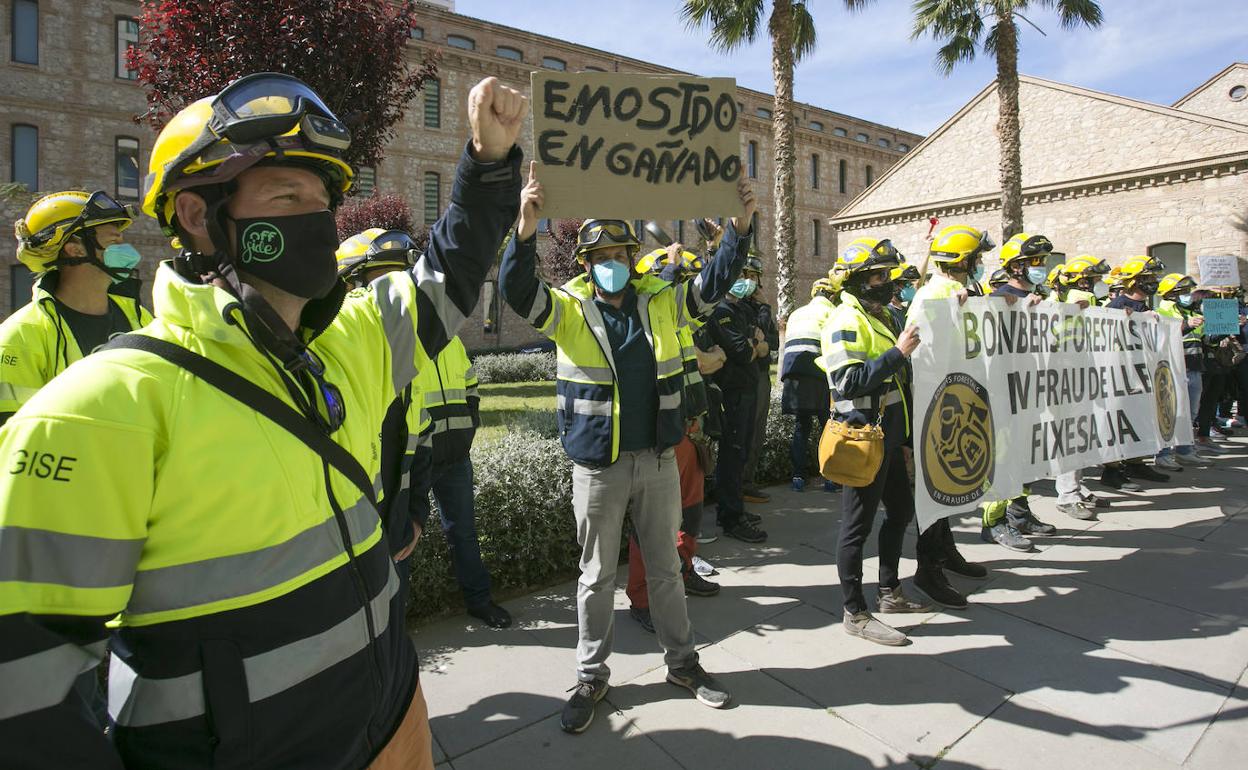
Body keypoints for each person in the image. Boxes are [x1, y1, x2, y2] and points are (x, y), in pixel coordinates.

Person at [0, 72, 526, 769]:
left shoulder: (356, 341)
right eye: (287, 196)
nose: (317, 218)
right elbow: (25, 697)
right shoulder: (102, 406)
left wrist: (488, 161)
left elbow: (452, 272)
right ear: (197, 216)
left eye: (322, 200)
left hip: (398, 723)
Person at [499, 167, 756, 733]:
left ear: (632, 255)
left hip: (659, 460)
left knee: (665, 569)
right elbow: (518, 292)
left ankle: (683, 664)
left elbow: (712, 284)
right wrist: (525, 228)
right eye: (601, 255)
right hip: (598, 468)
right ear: (586, 265)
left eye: (620, 251)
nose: (611, 261)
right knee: (595, 577)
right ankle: (592, 675)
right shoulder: (569, 309)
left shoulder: (662, 300)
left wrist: (739, 228)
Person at [1, 190, 153, 731]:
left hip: (138, 528)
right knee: (76, 702)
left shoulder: (139, 319)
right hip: (64, 550)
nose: (122, 246)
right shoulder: (23, 337)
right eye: (110, 237)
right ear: (70, 251)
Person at [337, 228, 512, 629]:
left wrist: (466, 428)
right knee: (400, 549)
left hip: (451, 457)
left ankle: (479, 600)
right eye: (383, 276)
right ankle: (398, 623)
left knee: (463, 534)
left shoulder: (442, 334)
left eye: (403, 273)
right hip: (404, 463)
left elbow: (469, 383)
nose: (397, 286)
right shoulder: (366, 347)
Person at [823, 237, 934, 645]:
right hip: (861, 439)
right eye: (877, 275)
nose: (886, 281)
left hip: (888, 439)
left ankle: (889, 592)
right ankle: (855, 611)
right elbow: (847, 382)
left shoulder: (882, 316)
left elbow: (896, 388)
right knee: (856, 527)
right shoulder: (844, 321)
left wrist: (903, 439)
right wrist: (897, 354)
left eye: (888, 274)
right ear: (856, 281)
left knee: (901, 510)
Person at [625, 245, 723, 634]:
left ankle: (683, 572)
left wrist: (716, 249)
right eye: (677, 282)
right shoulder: (642, 323)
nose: (681, 293)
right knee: (651, 526)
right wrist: (669, 267)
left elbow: (711, 294)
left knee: (691, 514)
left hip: (690, 433)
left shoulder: (681, 324)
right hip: (660, 439)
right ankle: (641, 597)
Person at [2, 190, 151, 427]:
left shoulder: (142, 319)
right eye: (114, 241)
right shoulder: (19, 337)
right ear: (75, 249)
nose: (127, 250)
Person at [905, 225, 991, 608]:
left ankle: (947, 553)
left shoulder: (961, 293)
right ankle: (928, 570)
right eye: (977, 258)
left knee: (948, 491)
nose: (982, 264)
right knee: (934, 489)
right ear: (964, 261)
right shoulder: (933, 294)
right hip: (937, 404)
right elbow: (927, 350)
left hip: (958, 400)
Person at [978, 234, 1063, 548]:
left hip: (1031, 389)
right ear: (1015, 267)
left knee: (1026, 458)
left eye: (1044, 261)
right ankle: (993, 522)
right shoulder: (999, 298)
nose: (1042, 267)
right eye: (1035, 261)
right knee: (1004, 459)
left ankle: (1019, 513)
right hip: (1003, 393)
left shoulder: (1038, 299)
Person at [706, 250, 770, 543]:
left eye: (748, 275)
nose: (745, 280)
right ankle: (730, 517)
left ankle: (736, 507)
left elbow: (762, 343)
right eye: (740, 274)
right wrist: (753, 344)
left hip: (747, 388)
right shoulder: (721, 311)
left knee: (741, 452)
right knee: (732, 456)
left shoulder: (740, 309)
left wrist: (754, 343)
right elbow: (745, 351)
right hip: (732, 393)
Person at [1103, 256, 1174, 485]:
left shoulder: (1144, 307)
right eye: (1147, 278)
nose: (1152, 282)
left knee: (1141, 419)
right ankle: (1112, 470)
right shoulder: (1116, 306)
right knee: (1118, 422)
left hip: (1141, 374)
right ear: (1132, 282)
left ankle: (1136, 463)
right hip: (1120, 376)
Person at [781, 275, 839, 492]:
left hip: (794, 375)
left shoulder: (797, 313)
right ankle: (831, 477)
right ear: (832, 295)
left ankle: (798, 476)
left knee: (801, 427)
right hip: (819, 374)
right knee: (829, 427)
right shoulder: (831, 312)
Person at [1154, 273, 1211, 469]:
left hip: (1194, 367)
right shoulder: (1163, 311)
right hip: (1174, 368)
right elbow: (1164, 335)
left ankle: (1185, 450)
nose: (1188, 295)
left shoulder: (1190, 313)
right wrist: (1187, 326)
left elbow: (1205, 339)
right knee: (1169, 412)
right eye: (1183, 292)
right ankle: (1162, 454)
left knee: (1190, 412)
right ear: (1171, 294)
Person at [740, 253, 779, 504]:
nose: (749, 281)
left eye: (753, 276)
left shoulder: (758, 307)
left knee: (757, 432)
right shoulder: (738, 307)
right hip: (745, 376)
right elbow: (757, 338)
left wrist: (764, 311)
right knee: (744, 432)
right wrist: (764, 310)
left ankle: (748, 482)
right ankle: (739, 485)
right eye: (745, 275)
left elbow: (772, 340)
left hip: (762, 374)